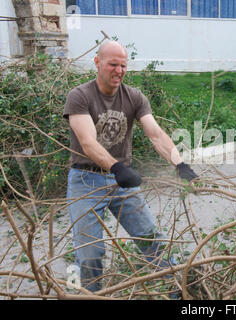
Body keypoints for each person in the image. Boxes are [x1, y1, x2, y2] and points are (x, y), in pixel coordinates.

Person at [63, 40, 197, 294]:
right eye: (113, 64)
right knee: (90, 252)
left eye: (123, 65)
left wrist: (179, 163)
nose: (119, 70)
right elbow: (88, 142)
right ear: (97, 63)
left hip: (121, 182)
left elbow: (155, 134)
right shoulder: (79, 96)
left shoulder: (134, 97)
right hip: (85, 180)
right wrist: (116, 167)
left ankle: (179, 291)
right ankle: (92, 296)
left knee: (150, 238)